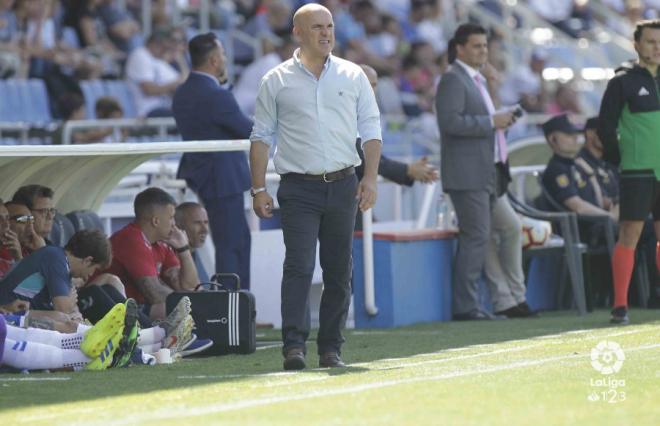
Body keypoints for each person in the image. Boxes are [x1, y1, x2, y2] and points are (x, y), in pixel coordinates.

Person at [250, 3, 382, 370]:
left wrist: (369, 178)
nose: (326, 33)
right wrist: (258, 189)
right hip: (298, 188)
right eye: (317, 27)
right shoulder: (274, 80)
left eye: (329, 26)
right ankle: (293, 346)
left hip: (344, 185)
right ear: (298, 32)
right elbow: (260, 137)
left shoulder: (353, 75)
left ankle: (330, 348)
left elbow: (371, 130)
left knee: (340, 271)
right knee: (299, 267)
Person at [435, 23, 531, 320]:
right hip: (468, 174)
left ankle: (509, 299)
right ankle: (467, 307)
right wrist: (491, 122)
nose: (483, 51)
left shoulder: (475, 79)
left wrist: (497, 116)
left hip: (488, 171)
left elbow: (489, 119)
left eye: (485, 46)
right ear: (460, 48)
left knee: (505, 229)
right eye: (477, 46)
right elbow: (450, 123)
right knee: (475, 237)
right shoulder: (453, 79)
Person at [173, 32, 253, 290]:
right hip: (223, 178)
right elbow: (248, 130)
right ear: (215, 61)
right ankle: (236, 307)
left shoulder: (183, 92)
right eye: (223, 55)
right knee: (233, 244)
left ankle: (235, 306)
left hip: (204, 175)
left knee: (228, 242)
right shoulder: (216, 95)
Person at [597, 19, 660, 324]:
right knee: (630, 235)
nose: (657, 47)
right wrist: (617, 158)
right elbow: (605, 126)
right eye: (650, 41)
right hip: (637, 171)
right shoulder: (622, 82)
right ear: (636, 45)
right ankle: (620, 306)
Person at [354, 63, 438, 229]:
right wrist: (407, 170)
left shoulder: (367, 113)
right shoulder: (341, 113)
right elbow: (359, 153)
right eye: (364, 83)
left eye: (374, 85)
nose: (371, 89)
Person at [103, 187, 198, 321]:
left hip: (136, 309)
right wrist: (193, 302)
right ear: (155, 221)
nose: (174, 224)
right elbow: (155, 294)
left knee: (189, 307)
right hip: (112, 312)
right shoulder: (131, 239)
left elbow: (190, 287)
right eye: (171, 218)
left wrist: (184, 249)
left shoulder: (161, 243)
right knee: (179, 309)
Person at [0, 229, 111, 315]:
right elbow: (63, 310)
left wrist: (71, 307)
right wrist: (70, 302)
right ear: (88, 261)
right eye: (95, 269)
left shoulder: (62, 264)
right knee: (63, 321)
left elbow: (69, 310)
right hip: (7, 312)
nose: (91, 274)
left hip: (21, 312)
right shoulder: (55, 258)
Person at [125, 30, 184, 117]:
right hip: (147, 112)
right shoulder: (141, 55)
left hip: (164, 107)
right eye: (165, 48)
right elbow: (149, 90)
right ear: (155, 44)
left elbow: (181, 82)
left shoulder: (157, 60)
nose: (166, 51)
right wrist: (174, 85)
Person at [175, 202, 210, 283]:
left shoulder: (194, 253)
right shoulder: (171, 258)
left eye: (206, 222)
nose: (205, 230)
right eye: (197, 223)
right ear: (178, 225)